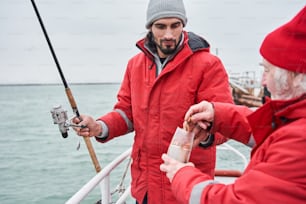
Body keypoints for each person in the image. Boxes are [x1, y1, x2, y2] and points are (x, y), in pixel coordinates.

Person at [73, 0, 233, 203]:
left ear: (183, 25)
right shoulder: (134, 65)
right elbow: (126, 113)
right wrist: (99, 126)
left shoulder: (209, 65)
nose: (168, 34)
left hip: (186, 187)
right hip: (145, 187)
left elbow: (225, 121)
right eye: (161, 26)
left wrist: (207, 134)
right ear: (150, 27)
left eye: (175, 25)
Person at [160, 6, 306, 204]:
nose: (262, 82)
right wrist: (217, 114)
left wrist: (182, 175)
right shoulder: (295, 124)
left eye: (267, 71)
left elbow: (237, 200)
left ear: (294, 76)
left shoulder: (298, 140)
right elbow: (270, 130)